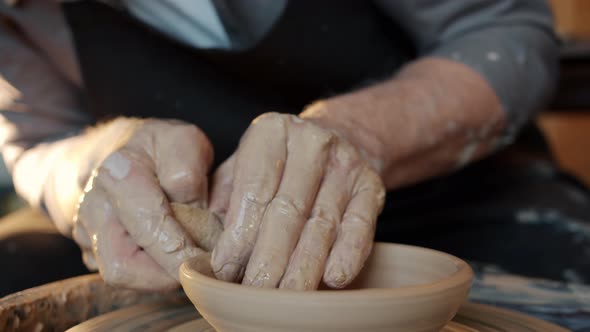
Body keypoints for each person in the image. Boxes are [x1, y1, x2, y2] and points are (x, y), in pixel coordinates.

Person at [0, 0, 563, 292]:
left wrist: (361, 134)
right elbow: (38, 141)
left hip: (451, 197)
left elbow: (504, 33)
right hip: (193, 251)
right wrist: (104, 165)